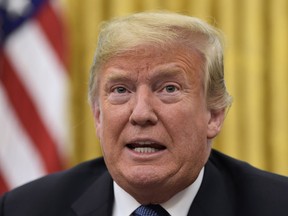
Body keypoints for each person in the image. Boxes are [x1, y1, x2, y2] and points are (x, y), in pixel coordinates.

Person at [1, 11, 288, 216]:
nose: (140, 113)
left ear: (214, 114)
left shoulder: (277, 205)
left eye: (169, 89)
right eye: (120, 90)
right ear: (98, 116)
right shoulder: (24, 208)